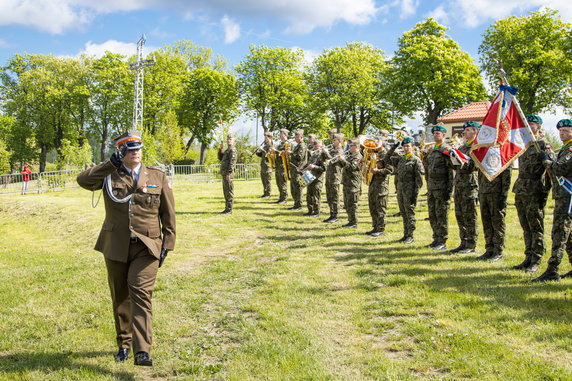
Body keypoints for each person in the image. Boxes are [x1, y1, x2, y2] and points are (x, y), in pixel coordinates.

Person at [76, 131, 176, 366]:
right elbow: (83, 181)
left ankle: (142, 351)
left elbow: (168, 212)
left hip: (147, 245)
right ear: (121, 152)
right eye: (130, 150)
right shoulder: (109, 175)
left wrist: (168, 243)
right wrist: (109, 164)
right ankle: (123, 344)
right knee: (120, 296)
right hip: (116, 244)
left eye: (138, 149)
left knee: (140, 292)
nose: (136, 153)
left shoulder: (157, 176)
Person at [511, 114, 552, 272]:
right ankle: (528, 257)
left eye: (532, 124)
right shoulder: (523, 144)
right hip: (521, 189)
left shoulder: (542, 145)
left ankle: (536, 258)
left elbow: (550, 172)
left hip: (535, 189)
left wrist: (545, 192)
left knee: (536, 226)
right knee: (525, 225)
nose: (528, 126)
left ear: (539, 126)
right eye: (526, 124)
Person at [534, 118, 572, 281]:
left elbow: (559, 168)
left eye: (566, 131)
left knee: (559, 232)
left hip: (567, 198)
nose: (562, 133)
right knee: (569, 235)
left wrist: (546, 160)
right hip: (562, 196)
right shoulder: (564, 148)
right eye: (560, 131)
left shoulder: (570, 150)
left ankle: (552, 269)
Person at [423, 124, 455, 250]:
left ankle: (442, 240)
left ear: (443, 135)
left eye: (438, 133)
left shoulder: (446, 150)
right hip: (431, 187)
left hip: (442, 188)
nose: (435, 135)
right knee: (433, 214)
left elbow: (451, 172)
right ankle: (435, 238)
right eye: (434, 133)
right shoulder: (432, 150)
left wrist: (449, 190)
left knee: (442, 214)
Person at [450, 121, 480, 254]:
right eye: (465, 130)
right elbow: (455, 166)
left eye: (468, 130)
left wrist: (462, 161)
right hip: (459, 184)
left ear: (475, 132)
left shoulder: (477, 147)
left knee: (469, 215)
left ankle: (471, 244)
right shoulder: (461, 147)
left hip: (470, 184)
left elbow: (474, 166)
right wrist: (452, 156)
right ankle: (463, 241)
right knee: (460, 214)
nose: (465, 132)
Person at [476, 163, 512, 262]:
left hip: (496, 192)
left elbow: (507, 176)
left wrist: (504, 195)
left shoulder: (501, 155)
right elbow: (480, 174)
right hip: (484, 191)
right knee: (486, 222)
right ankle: (489, 249)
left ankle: (498, 251)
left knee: (497, 223)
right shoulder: (484, 155)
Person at [393, 137, 424, 244]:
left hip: (410, 191)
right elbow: (387, 159)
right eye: (404, 146)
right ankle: (405, 234)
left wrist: (415, 193)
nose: (406, 148)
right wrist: (393, 148)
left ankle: (410, 235)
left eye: (408, 146)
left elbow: (419, 179)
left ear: (412, 147)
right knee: (403, 213)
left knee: (409, 213)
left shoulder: (416, 160)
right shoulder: (401, 159)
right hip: (401, 190)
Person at [366, 144, 393, 237]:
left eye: (376, 144)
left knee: (380, 207)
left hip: (381, 185)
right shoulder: (373, 154)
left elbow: (390, 170)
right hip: (372, 184)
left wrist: (377, 171)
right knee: (372, 206)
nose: (373, 146)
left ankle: (380, 228)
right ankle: (375, 226)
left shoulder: (386, 155)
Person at [340, 139, 363, 228]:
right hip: (347, 182)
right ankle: (350, 221)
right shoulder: (350, 155)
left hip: (353, 183)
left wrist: (343, 160)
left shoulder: (358, 156)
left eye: (351, 146)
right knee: (347, 203)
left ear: (356, 147)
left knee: (352, 204)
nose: (349, 147)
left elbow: (353, 167)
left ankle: (354, 222)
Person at [323, 133, 345, 223]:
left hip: (335, 177)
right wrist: (323, 152)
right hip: (329, 176)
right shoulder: (332, 150)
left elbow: (332, 160)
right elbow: (325, 159)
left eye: (335, 140)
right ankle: (331, 214)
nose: (332, 141)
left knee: (334, 197)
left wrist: (326, 152)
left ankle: (335, 215)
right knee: (329, 196)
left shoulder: (340, 151)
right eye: (332, 140)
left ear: (340, 141)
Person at [303, 139, 327, 216]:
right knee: (309, 194)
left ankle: (316, 212)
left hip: (318, 178)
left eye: (317, 146)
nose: (316, 147)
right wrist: (302, 168)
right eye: (314, 146)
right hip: (310, 176)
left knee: (316, 195)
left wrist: (314, 167)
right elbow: (308, 164)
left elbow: (324, 168)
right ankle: (310, 210)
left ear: (321, 146)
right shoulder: (313, 154)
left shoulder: (322, 156)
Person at [288, 129, 308, 211]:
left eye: (297, 137)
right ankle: (296, 204)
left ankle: (299, 205)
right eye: (295, 137)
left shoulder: (302, 146)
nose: (295, 138)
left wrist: (291, 153)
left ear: (301, 137)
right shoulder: (298, 145)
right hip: (294, 169)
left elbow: (299, 157)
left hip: (299, 170)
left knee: (298, 187)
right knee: (294, 187)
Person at [218, 133, 237, 214]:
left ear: (233, 140)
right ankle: (227, 208)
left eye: (230, 139)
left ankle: (229, 209)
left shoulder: (232, 150)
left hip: (228, 174)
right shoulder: (227, 150)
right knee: (226, 191)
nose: (229, 140)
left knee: (229, 191)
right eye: (228, 139)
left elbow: (232, 163)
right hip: (225, 173)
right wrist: (220, 149)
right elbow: (220, 158)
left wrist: (229, 174)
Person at [272, 129, 290, 204]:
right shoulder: (280, 143)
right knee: (278, 182)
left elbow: (284, 153)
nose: (279, 135)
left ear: (285, 134)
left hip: (283, 166)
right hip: (278, 165)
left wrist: (275, 151)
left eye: (281, 134)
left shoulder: (287, 143)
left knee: (282, 182)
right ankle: (281, 197)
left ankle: (284, 198)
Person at [255, 131, 274, 198]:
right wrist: (257, 152)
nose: (265, 139)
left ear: (270, 138)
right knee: (263, 180)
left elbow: (268, 155)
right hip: (263, 165)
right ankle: (265, 192)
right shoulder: (265, 146)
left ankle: (268, 193)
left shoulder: (271, 146)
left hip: (268, 166)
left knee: (267, 180)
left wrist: (262, 149)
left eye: (266, 138)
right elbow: (262, 155)